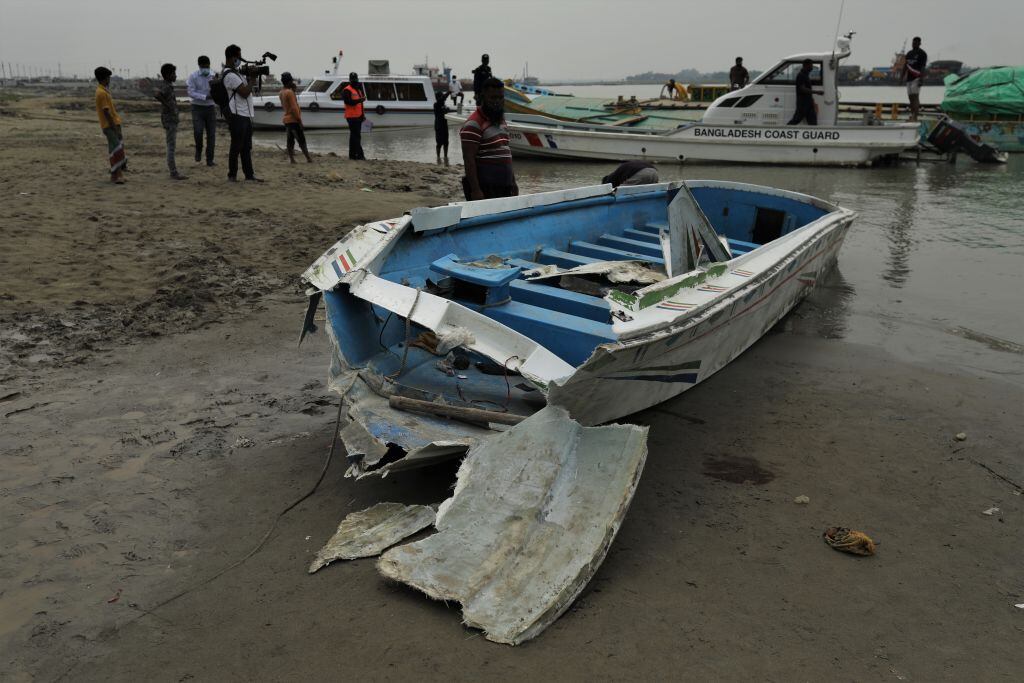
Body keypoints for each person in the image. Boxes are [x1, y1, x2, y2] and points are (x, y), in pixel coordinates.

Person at [459, 77, 517, 200]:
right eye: (493, 98)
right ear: (483, 97)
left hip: (505, 187)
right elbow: (468, 160)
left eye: (500, 97)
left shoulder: (501, 121)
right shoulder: (474, 124)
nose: (497, 101)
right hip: (486, 189)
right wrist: (475, 190)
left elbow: (506, 153)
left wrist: (513, 182)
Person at [222, 44, 263, 182]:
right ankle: (232, 175)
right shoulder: (230, 75)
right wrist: (251, 78)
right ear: (232, 57)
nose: (240, 59)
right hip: (237, 114)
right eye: (239, 57)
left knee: (246, 147)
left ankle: (249, 176)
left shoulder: (237, 73)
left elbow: (248, 90)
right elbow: (245, 93)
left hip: (244, 114)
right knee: (236, 146)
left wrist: (252, 78)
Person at [154, 63, 187, 180]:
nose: (176, 76)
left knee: (171, 145)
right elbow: (157, 94)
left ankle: (173, 171)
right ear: (168, 75)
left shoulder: (167, 85)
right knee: (171, 146)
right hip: (169, 120)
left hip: (170, 119)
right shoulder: (167, 87)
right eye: (174, 73)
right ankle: (173, 172)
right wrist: (166, 104)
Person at [94, 66, 125, 184]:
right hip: (109, 125)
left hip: (113, 124)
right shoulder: (101, 93)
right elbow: (106, 112)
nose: (109, 80)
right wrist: (114, 127)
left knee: (114, 149)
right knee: (117, 149)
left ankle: (115, 174)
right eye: (108, 77)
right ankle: (117, 174)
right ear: (105, 78)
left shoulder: (103, 91)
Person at [186, 55, 216, 166]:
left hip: (211, 108)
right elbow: (190, 92)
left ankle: (210, 160)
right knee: (198, 131)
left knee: (211, 135)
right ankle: (198, 149)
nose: (205, 69)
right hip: (197, 108)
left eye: (207, 66)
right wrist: (204, 97)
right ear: (199, 66)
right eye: (203, 67)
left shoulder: (213, 76)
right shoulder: (193, 76)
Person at [279, 72, 312, 164]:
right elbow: (294, 108)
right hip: (293, 120)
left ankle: (292, 159)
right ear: (289, 81)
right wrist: (300, 121)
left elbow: (287, 105)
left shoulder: (281, 92)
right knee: (301, 140)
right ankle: (308, 158)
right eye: (292, 81)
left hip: (287, 120)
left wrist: (293, 90)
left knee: (290, 141)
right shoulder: (289, 92)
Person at [342, 71, 366, 160]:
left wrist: (363, 115)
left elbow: (361, 103)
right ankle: (360, 155)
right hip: (351, 117)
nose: (355, 81)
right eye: (353, 80)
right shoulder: (347, 90)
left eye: (355, 80)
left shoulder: (358, 89)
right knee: (356, 136)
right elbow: (347, 102)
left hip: (358, 116)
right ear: (350, 80)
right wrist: (359, 100)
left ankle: (352, 156)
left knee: (354, 136)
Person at [903, 36, 927, 122]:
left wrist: (921, 79)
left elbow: (923, 68)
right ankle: (912, 114)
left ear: (919, 43)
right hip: (909, 79)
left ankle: (915, 117)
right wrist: (901, 77)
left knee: (915, 97)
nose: (914, 44)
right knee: (910, 98)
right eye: (913, 42)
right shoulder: (909, 53)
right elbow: (905, 66)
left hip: (916, 78)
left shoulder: (922, 54)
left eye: (916, 42)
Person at [787, 59, 817, 125]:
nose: (812, 67)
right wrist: (816, 92)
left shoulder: (806, 75)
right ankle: (784, 131)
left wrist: (812, 100)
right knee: (796, 120)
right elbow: (802, 89)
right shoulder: (801, 75)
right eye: (811, 65)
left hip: (809, 103)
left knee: (813, 122)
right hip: (803, 104)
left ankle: (814, 134)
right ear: (806, 65)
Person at [433, 91, 451, 164]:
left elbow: (447, 110)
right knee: (439, 143)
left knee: (446, 142)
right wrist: (448, 93)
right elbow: (442, 99)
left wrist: (447, 109)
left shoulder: (444, 105)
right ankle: (438, 158)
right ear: (438, 98)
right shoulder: (436, 104)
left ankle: (445, 157)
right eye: (441, 97)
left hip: (444, 125)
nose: (444, 99)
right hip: (438, 126)